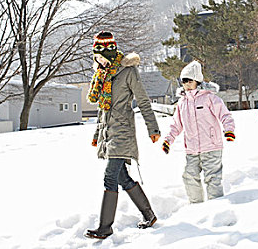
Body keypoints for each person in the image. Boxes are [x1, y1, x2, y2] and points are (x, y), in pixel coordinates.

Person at [84, 31, 161, 240]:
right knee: (122, 177)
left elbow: (143, 101)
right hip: (107, 132)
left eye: (101, 57)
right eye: (96, 58)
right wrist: (96, 134)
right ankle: (149, 215)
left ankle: (105, 227)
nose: (98, 61)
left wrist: (153, 129)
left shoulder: (127, 71)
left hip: (123, 131)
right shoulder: (102, 76)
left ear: (109, 54)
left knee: (110, 176)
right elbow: (102, 109)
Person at [162, 61, 235, 203]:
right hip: (192, 149)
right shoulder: (182, 103)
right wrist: (168, 140)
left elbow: (225, 115)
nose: (187, 84)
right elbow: (176, 125)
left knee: (212, 178)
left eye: (190, 81)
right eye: (184, 81)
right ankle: (196, 206)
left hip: (211, 146)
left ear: (197, 81)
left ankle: (217, 206)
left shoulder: (209, 98)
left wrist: (229, 130)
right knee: (189, 176)